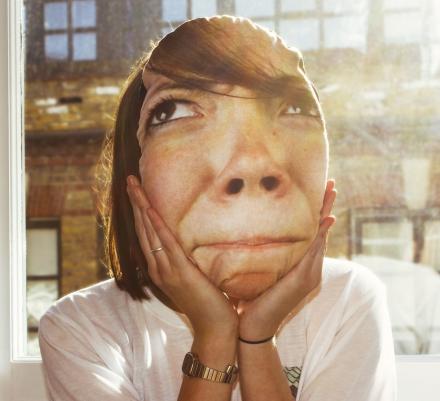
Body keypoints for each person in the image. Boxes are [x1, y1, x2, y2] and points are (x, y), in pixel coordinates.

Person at [38, 15, 397, 401]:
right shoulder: (81, 330)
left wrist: (258, 339)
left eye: (293, 107)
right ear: (135, 177)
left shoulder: (347, 300)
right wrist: (214, 334)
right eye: (171, 111)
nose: (253, 162)